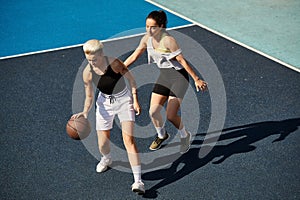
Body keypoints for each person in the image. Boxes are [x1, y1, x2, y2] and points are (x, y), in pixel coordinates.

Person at [124, 10, 207, 154]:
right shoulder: (146, 39)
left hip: (179, 78)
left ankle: (184, 135)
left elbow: (182, 60)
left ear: (161, 26)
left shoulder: (169, 41)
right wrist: (119, 69)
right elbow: (134, 56)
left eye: (153, 27)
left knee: (170, 115)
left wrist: (196, 78)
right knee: (153, 112)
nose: (149, 30)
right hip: (164, 76)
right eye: (147, 26)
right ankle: (162, 135)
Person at [72, 39, 145, 194]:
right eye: (88, 59)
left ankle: (138, 181)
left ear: (102, 54)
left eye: (94, 59)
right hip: (104, 103)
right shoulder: (87, 73)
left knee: (129, 140)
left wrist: (135, 99)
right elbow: (89, 96)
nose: (92, 62)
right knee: (103, 144)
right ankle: (107, 158)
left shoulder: (114, 63)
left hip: (124, 100)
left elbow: (131, 79)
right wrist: (85, 112)